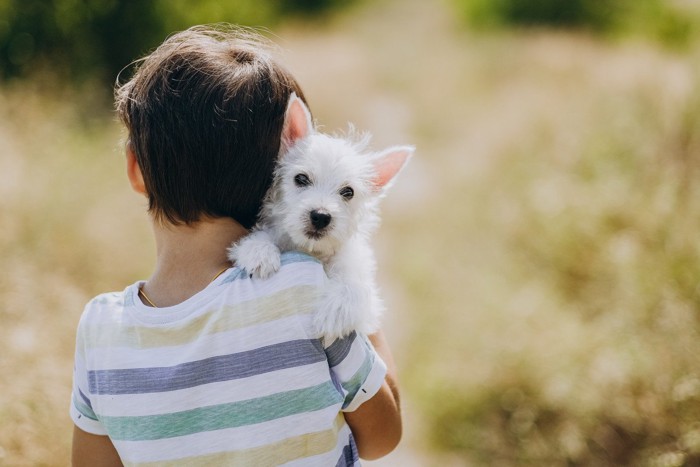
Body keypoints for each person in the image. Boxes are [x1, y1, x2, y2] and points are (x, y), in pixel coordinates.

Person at [70, 26, 401, 466]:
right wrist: (344, 268)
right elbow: (383, 436)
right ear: (277, 175)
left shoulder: (98, 330)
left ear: (135, 169)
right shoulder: (303, 285)